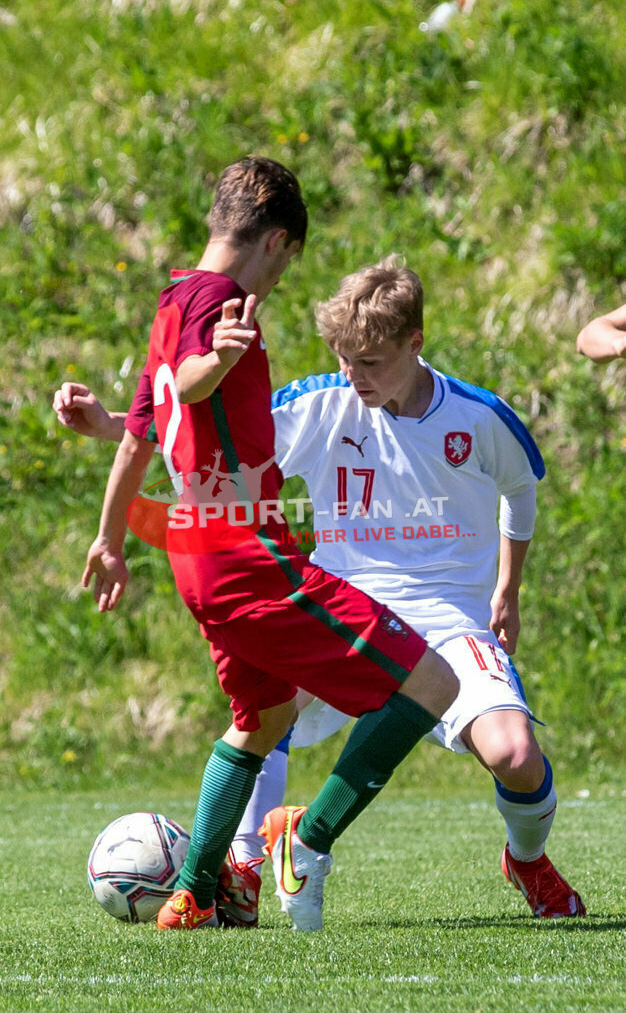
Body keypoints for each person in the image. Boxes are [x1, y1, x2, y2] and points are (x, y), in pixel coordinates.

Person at [55, 254, 585, 922]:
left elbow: (521, 490)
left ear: (414, 344)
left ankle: (527, 861)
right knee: (267, 707)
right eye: (343, 359)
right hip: (347, 600)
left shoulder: (480, 418)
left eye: (369, 362)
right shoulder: (323, 404)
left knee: (515, 756)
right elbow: (211, 434)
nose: (351, 377)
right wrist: (110, 424)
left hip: (450, 618)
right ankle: (247, 863)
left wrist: (508, 588)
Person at [79, 157, 458, 932]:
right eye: (288, 263)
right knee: (432, 685)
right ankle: (303, 837)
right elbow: (187, 387)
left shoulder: (173, 299)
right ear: (278, 242)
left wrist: (109, 537)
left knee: (265, 714)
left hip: (195, 545)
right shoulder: (220, 303)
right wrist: (214, 362)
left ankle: (195, 891)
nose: (282, 279)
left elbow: (143, 436)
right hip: (243, 548)